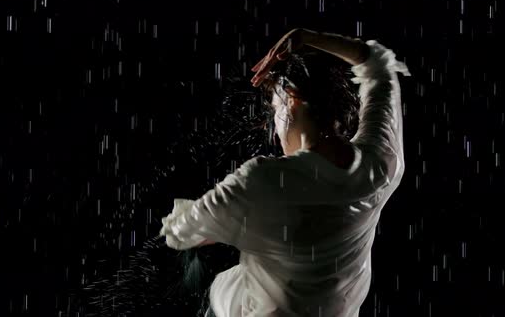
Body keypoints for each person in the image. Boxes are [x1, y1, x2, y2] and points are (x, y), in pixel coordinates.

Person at [159, 28, 411, 317]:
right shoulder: (380, 165)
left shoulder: (264, 181)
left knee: (214, 284)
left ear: (291, 98)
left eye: (275, 107)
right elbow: (377, 65)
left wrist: (224, 222)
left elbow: (179, 233)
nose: (277, 131)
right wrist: (309, 37)